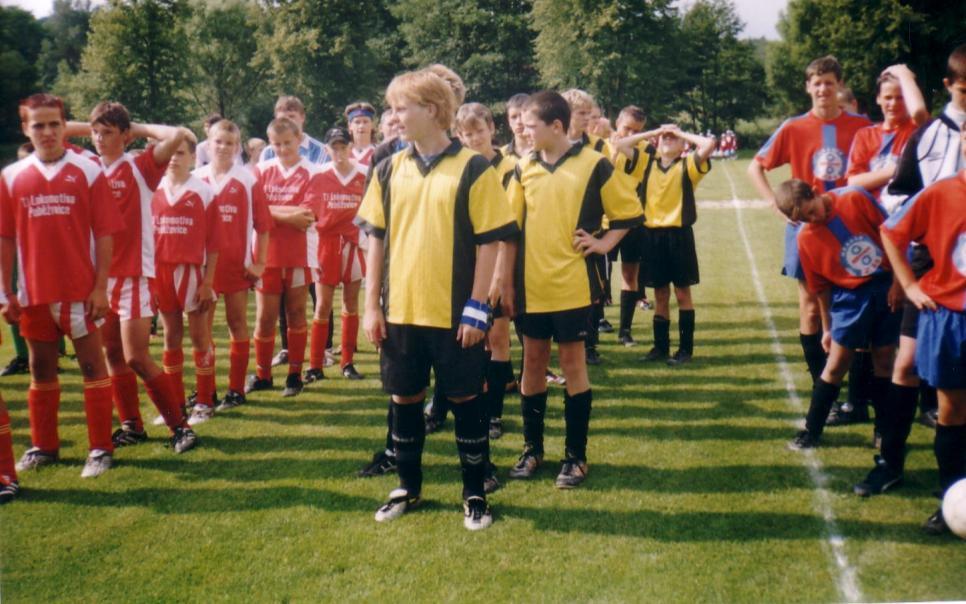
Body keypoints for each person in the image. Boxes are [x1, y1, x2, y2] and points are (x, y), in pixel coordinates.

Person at [357, 67, 518, 530]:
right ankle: (408, 486)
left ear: (431, 110)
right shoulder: (388, 168)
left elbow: (491, 241)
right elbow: (375, 240)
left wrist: (477, 308)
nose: (393, 116)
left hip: (454, 315)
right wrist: (372, 306)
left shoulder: (473, 167)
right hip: (402, 311)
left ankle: (474, 493)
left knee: (467, 399)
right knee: (404, 399)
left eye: (400, 108)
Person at [506, 90, 643, 489]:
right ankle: (533, 449)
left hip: (573, 288)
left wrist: (603, 243)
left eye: (531, 126)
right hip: (531, 287)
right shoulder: (523, 168)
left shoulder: (594, 164)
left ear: (557, 127)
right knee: (532, 365)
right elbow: (510, 231)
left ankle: (576, 457)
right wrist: (505, 283)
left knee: (573, 367)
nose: (523, 132)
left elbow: (629, 212)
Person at [63, 102, 199, 451]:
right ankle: (132, 425)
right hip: (99, 278)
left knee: (136, 355)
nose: (98, 139)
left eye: (108, 133)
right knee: (111, 354)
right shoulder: (88, 166)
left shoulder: (139, 165)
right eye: (96, 132)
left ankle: (179, 426)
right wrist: (96, 124)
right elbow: (59, 130)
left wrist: (133, 128)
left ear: (124, 136)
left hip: (135, 275)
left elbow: (178, 135)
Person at [1, 93, 124, 478]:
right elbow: (5, 238)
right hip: (35, 291)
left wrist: (101, 287)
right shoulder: (10, 177)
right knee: (40, 368)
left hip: (80, 289)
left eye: (55, 123)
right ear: (26, 129)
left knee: (91, 365)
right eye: (38, 125)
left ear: (65, 125)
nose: (48, 131)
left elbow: (105, 233)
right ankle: (44, 446)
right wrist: (5, 291)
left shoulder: (88, 170)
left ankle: (101, 448)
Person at [747, 56, 871, 395]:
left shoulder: (861, 125)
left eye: (829, 82)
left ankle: (857, 399)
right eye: (816, 83)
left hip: (849, 228)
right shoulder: (793, 127)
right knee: (812, 308)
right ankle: (824, 391)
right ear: (808, 87)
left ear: (839, 86)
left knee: (858, 308)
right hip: (805, 229)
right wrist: (775, 203)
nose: (823, 89)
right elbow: (756, 166)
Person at [826, 65, 929, 428]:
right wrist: (893, 171)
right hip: (871, 236)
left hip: (913, 234)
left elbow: (921, 116)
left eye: (899, 96)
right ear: (878, 100)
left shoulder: (917, 133)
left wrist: (906, 75)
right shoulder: (867, 136)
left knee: (907, 323)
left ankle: (921, 404)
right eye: (888, 97)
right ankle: (860, 402)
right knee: (870, 322)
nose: (893, 103)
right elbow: (853, 181)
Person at [879, 125, 966, 534]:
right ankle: (952, 503)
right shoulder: (941, 192)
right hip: (951, 318)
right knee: (951, 410)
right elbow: (891, 232)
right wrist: (910, 285)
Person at [772, 180, 900, 452]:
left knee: (884, 360)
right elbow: (820, 289)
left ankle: (883, 430)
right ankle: (811, 429)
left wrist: (898, 284)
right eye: (805, 218)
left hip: (884, 286)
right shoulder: (806, 237)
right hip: (850, 299)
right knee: (836, 364)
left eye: (812, 211)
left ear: (815, 193)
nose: (813, 219)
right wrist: (828, 329)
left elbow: (891, 235)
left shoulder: (854, 198)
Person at [882, 44, 966, 434]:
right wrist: (907, 282)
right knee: (906, 363)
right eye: (965, 90)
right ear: (949, 85)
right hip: (930, 264)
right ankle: (889, 462)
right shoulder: (927, 135)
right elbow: (897, 203)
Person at [612, 124, 716, 364]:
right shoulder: (647, 164)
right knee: (660, 295)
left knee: (682, 295)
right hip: (652, 237)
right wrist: (654, 132)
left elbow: (709, 145)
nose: (668, 141)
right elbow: (621, 144)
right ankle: (660, 347)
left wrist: (678, 133)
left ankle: (685, 350)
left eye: (674, 139)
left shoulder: (688, 166)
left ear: (683, 146)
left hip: (679, 237)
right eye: (665, 139)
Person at [194, 119, 271, 411]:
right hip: (204, 270)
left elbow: (263, 226)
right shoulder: (197, 177)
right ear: (208, 143)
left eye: (230, 143)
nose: (224, 147)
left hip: (237, 266)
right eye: (218, 142)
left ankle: (236, 390)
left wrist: (260, 262)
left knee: (237, 324)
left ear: (238, 146)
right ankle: (206, 390)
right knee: (203, 331)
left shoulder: (248, 179)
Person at [246, 117, 319, 398]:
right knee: (265, 317)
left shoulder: (312, 172)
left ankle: (294, 375)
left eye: (287, 142)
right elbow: (254, 211)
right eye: (276, 144)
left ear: (299, 139)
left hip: (300, 254)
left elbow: (307, 216)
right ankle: (263, 375)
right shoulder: (261, 170)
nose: (282, 149)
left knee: (296, 313)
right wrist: (286, 212)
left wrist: (269, 211)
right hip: (266, 255)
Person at [151, 138, 221, 425]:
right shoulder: (153, 190)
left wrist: (208, 281)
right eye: (169, 153)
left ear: (193, 157)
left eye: (180, 153)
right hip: (161, 271)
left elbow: (215, 243)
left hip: (192, 271)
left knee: (200, 336)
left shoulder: (203, 192)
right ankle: (175, 402)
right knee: (170, 336)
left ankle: (204, 401)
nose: (173, 159)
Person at [304, 126, 367, 383]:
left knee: (351, 303)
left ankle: (347, 361)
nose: (339, 152)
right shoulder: (319, 176)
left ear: (350, 147)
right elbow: (309, 211)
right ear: (327, 149)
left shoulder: (363, 175)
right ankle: (315, 364)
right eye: (334, 147)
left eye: (343, 146)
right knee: (322, 305)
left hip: (352, 244)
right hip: (326, 245)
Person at [561, 88, 614, 363]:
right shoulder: (548, 146)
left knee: (594, 292)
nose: (587, 119)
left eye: (588, 114)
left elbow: (612, 188)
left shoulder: (599, 146)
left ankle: (589, 346)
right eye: (581, 113)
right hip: (558, 232)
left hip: (590, 232)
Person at [609, 105, 651, 344]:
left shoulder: (644, 149)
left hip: (631, 219)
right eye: (626, 128)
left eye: (636, 130)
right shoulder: (601, 143)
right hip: (603, 219)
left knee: (629, 274)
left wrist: (623, 141)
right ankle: (590, 338)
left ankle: (624, 331)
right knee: (598, 280)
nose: (630, 134)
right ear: (617, 123)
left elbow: (622, 148)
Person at [501, 93, 532, 160]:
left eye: (522, 115)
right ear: (509, 121)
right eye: (514, 117)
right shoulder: (501, 155)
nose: (519, 121)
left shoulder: (544, 151)